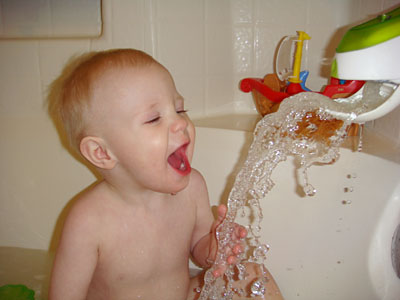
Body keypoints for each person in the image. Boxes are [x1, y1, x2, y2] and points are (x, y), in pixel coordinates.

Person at [48, 49, 283, 300]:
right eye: (154, 119)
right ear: (102, 152)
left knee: (253, 276)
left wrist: (215, 245)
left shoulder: (192, 187)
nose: (181, 123)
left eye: (180, 110)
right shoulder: (88, 221)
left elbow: (201, 253)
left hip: (182, 294)